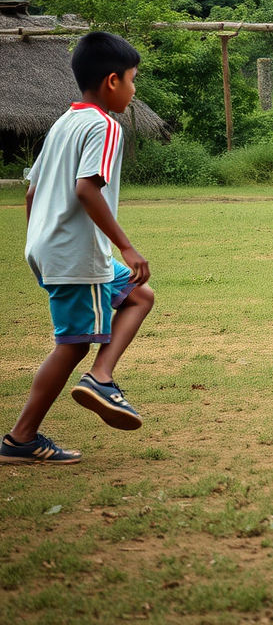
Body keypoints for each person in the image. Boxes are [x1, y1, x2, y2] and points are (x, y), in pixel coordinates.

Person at [0, 32, 154, 466]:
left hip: (52, 247)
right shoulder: (105, 126)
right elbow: (87, 188)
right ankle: (21, 438)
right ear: (112, 81)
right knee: (73, 344)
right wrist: (127, 247)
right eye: (133, 79)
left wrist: (42, 240)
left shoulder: (64, 122)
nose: (134, 88)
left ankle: (101, 378)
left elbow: (32, 195)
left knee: (139, 295)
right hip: (77, 253)